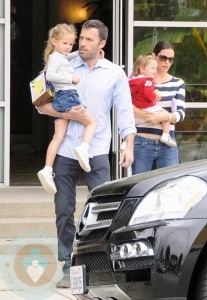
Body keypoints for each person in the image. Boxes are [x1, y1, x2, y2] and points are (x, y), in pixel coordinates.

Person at [37, 19, 136, 288]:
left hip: (97, 150)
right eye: (81, 39)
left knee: (104, 211)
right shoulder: (64, 62)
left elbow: (124, 111)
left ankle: (99, 264)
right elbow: (39, 101)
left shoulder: (114, 73)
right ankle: (68, 266)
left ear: (102, 43)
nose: (81, 44)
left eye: (89, 40)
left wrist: (128, 144)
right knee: (63, 210)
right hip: (67, 149)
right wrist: (65, 113)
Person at [37, 23, 97, 195]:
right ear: (54, 41)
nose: (68, 47)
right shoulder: (56, 59)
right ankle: (83, 148)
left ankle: (47, 169)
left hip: (60, 98)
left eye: (71, 44)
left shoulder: (59, 56)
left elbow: (68, 57)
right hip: (68, 96)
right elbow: (50, 75)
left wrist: (79, 52)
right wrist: (71, 79)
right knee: (92, 122)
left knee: (58, 136)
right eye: (65, 43)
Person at [132, 41, 185, 175]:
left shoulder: (178, 83)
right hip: (141, 142)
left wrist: (164, 117)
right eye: (163, 58)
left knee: (170, 187)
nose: (167, 62)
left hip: (167, 144)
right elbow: (127, 107)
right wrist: (149, 117)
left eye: (171, 59)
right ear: (154, 56)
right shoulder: (139, 80)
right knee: (140, 187)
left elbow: (180, 113)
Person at [129, 54, 176, 147]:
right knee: (165, 114)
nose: (155, 71)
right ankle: (166, 135)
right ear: (142, 69)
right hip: (148, 107)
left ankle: (126, 142)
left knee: (131, 125)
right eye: (152, 68)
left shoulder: (132, 81)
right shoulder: (148, 81)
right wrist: (156, 97)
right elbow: (148, 93)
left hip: (138, 107)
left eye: (171, 59)